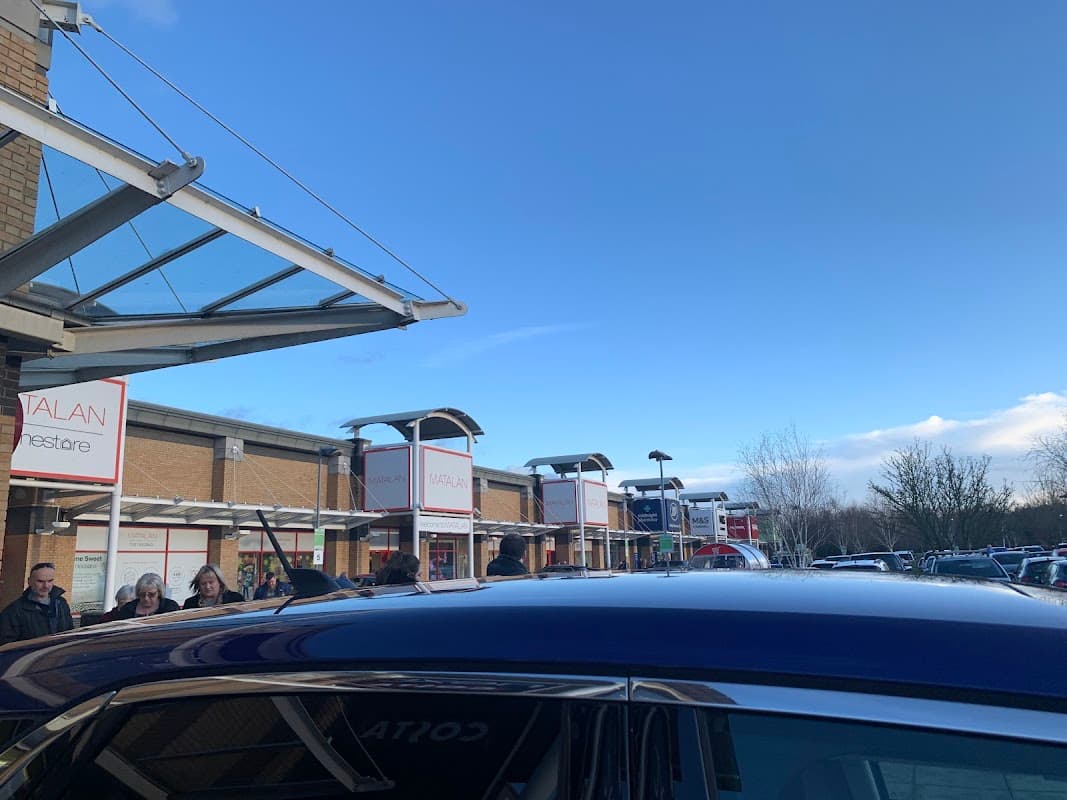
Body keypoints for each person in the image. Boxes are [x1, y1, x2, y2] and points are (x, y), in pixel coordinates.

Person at [0, 562, 74, 643]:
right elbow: (5, 645)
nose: (46, 586)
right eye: (40, 581)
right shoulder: (14, 611)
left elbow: (70, 633)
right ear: (29, 581)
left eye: (50, 581)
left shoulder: (61, 603)